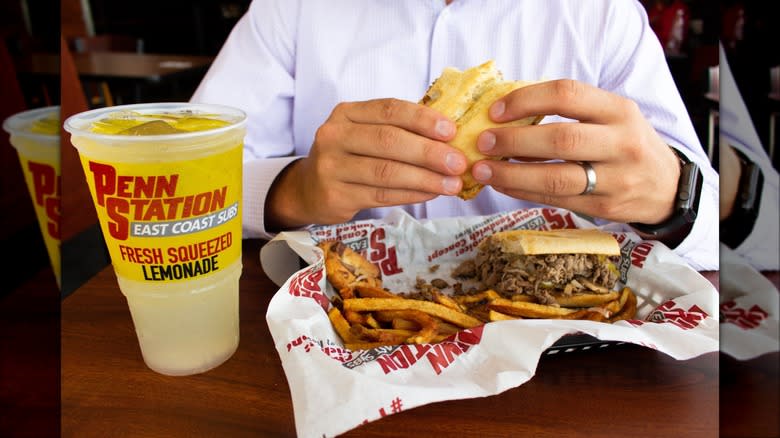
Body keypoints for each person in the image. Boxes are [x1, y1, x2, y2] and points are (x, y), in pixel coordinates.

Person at [190, 0, 719, 270]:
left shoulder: (601, 15)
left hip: (571, 352)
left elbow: (715, 235)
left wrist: (674, 196)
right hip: (339, 334)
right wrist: (290, 190)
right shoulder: (291, 10)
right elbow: (180, 188)